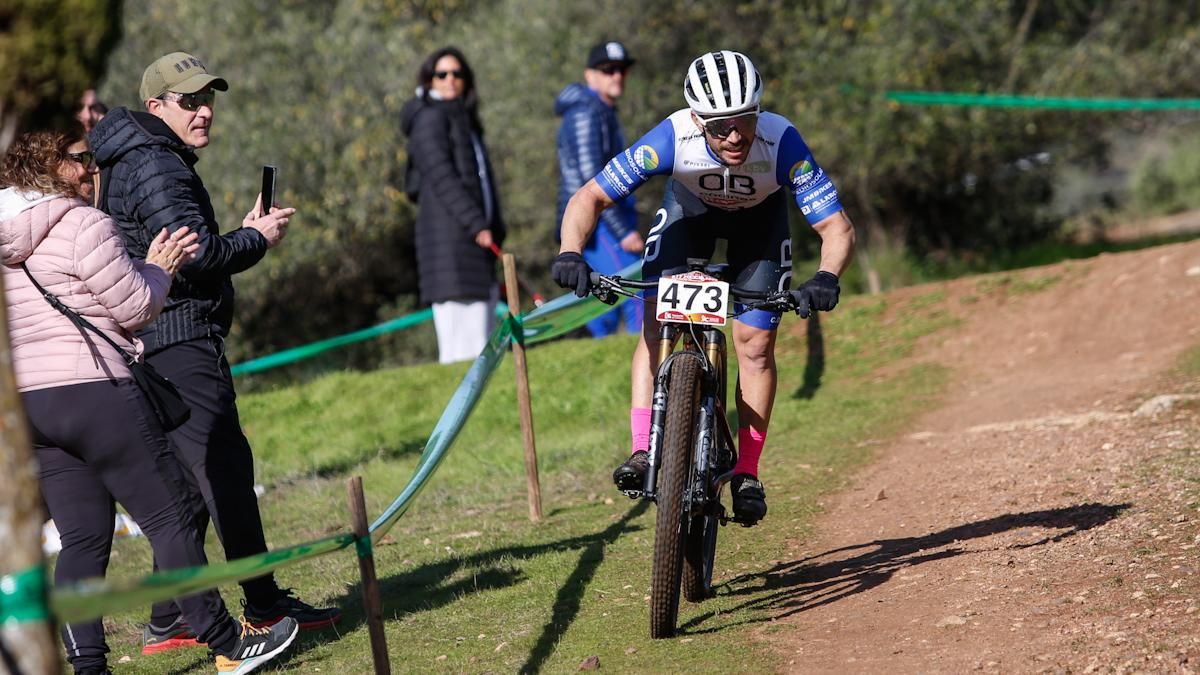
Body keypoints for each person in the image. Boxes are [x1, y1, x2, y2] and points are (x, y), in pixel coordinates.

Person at [0, 128, 299, 675]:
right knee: (173, 513)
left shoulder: (5, 242)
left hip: (34, 408)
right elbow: (135, 307)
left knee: (82, 538)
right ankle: (226, 641)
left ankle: (88, 666)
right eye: (79, 160)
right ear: (51, 171)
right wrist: (161, 266)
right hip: (96, 392)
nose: (92, 169)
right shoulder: (83, 223)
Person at [88, 51, 340, 652]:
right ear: (156, 107)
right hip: (178, 340)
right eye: (189, 101)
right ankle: (262, 604)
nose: (204, 111)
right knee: (224, 471)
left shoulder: (142, 158)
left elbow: (186, 246)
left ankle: (170, 617)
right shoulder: (156, 164)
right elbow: (195, 259)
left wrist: (239, 235)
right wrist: (256, 239)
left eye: (208, 98)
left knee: (185, 485)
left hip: (155, 341)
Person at [553, 51, 856, 523]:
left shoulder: (781, 142)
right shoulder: (673, 137)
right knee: (657, 322)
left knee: (755, 344)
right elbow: (589, 196)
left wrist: (826, 276)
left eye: (744, 122)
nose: (734, 136)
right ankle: (642, 449)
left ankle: (747, 473)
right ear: (697, 120)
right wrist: (570, 252)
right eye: (719, 127)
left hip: (759, 226)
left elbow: (836, 228)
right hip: (688, 215)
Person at [400, 46, 506, 364]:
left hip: (476, 246)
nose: (450, 80)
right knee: (462, 349)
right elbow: (443, 178)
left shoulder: (465, 121)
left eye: (457, 74)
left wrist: (495, 228)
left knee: (482, 341)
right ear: (429, 79)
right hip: (451, 245)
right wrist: (477, 225)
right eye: (442, 74)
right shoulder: (429, 119)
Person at [555, 41, 644, 338]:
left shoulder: (601, 110)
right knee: (634, 290)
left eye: (621, 69)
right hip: (600, 222)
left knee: (601, 302)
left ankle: (599, 361)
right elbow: (589, 179)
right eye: (608, 70)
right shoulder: (586, 112)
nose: (617, 76)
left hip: (606, 219)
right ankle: (642, 363)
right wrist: (623, 231)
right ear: (590, 75)